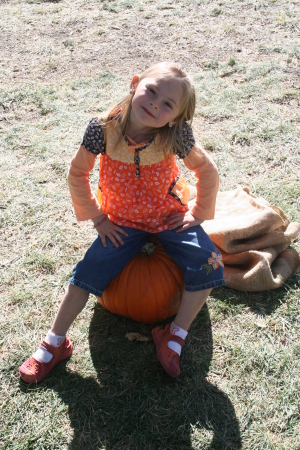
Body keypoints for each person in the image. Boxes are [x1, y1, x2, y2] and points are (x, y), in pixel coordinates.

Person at [19, 62, 225, 383]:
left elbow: (207, 172)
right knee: (85, 274)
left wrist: (196, 214)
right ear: (135, 83)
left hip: (166, 216)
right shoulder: (102, 129)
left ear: (175, 117)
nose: (155, 103)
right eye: (152, 91)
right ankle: (54, 342)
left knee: (210, 262)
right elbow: (77, 173)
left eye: (167, 104)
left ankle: (175, 334)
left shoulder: (176, 135)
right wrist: (98, 218)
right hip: (121, 222)